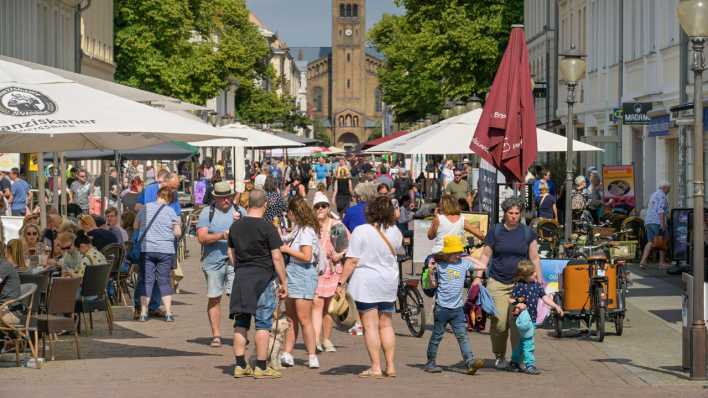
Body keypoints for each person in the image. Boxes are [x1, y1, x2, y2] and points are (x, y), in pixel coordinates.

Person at [337, 195, 403, 378]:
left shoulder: (361, 230)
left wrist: (341, 282)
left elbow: (352, 261)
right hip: (388, 281)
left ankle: (376, 367)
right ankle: (390, 366)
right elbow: (398, 249)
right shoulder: (395, 232)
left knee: (370, 325)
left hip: (367, 282)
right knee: (386, 324)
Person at [228, 188, 288, 379]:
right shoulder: (267, 227)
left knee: (241, 322)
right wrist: (283, 281)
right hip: (263, 277)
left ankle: (239, 365)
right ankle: (261, 366)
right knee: (263, 323)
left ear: (248, 204)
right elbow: (277, 257)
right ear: (265, 205)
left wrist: (238, 267)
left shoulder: (235, 226)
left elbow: (230, 253)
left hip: (242, 277)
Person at [477, 197, 541, 370]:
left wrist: (539, 280)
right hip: (497, 282)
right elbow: (485, 256)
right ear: (504, 213)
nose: (513, 216)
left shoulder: (527, 233)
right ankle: (499, 355)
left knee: (518, 323)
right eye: (510, 213)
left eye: (516, 213)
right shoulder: (495, 231)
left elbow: (534, 257)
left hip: (520, 285)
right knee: (499, 323)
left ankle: (516, 358)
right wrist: (478, 276)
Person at [424, 235, 486, 374]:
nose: (457, 255)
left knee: (462, 336)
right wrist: (431, 271)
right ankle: (430, 362)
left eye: (459, 252)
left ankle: (470, 362)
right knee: (437, 336)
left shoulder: (464, 263)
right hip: (442, 308)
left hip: (457, 309)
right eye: (455, 253)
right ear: (447, 253)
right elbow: (433, 284)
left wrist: (468, 257)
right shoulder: (440, 265)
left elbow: (482, 266)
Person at [196, 182, 244, 347]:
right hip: (213, 261)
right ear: (216, 198)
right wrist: (221, 236)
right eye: (223, 198)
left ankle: (239, 333)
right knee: (214, 298)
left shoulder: (240, 211)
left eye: (229, 197)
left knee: (237, 297)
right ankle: (216, 335)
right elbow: (202, 238)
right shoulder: (206, 213)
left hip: (235, 261)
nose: (226, 200)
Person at [278, 196, 321, 368]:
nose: (288, 216)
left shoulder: (306, 231)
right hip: (293, 271)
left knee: (304, 318)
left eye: (289, 213)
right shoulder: (298, 229)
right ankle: (288, 353)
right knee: (291, 317)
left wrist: (286, 249)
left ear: (295, 212)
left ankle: (312, 355)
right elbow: (288, 238)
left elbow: (306, 255)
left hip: (303, 273)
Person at [508, 260, 563, 375]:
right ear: (525, 276)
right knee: (529, 341)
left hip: (532, 318)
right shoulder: (519, 286)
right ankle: (530, 365)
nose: (536, 274)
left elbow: (544, 297)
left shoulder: (536, 286)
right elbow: (511, 299)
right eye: (533, 273)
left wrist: (555, 306)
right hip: (522, 318)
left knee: (523, 341)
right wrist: (518, 304)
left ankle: (514, 362)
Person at [136, 187, 181, 322]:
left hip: (147, 248)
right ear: (169, 199)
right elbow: (177, 232)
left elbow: (135, 225)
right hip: (165, 250)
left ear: (158, 195)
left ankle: (143, 313)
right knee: (164, 281)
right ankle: (168, 313)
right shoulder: (171, 211)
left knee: (147, 281)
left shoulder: (145, 208)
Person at [311, 192, 348, 353]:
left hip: (333, 270)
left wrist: (339, 255)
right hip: (316, 269)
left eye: (323, 206)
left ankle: (326, 339)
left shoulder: (336, 225)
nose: (320, 209)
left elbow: (349, 245)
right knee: (317, 303)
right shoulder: (310, 225)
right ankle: (315, 340)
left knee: (329, 307)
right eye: (317, 206)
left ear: (328, 207)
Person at [640, 182, 671, 269]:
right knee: (663, 240)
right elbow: (660, 210)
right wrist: (662, 224)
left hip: (649, 221)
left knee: (651, 241)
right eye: (669, 189)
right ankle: (661, 263)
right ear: (665, 188)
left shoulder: (653, 194)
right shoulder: (662, 196)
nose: (669, 191)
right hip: (657, 221)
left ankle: (643, 261)